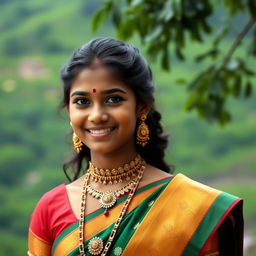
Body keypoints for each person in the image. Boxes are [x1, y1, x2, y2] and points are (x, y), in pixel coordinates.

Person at [28, 38, 243, 256]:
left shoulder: (197, 210)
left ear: (142, 106)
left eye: (113, 99)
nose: (97, 116)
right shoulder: (50, 209)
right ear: (68, 111)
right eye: (82, 102)